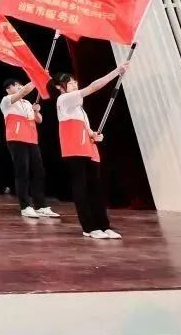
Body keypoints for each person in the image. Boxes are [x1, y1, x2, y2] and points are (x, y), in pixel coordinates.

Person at [49, 62, 129, 240]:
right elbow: (93, 87)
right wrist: (116, 72)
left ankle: (104, 225)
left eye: (74, 81)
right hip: (74, 149)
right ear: (59, 87)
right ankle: (89, 227)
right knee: (82, 188)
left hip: (88, 148)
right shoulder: (64, 100)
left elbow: (87, 129)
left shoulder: (79, 108)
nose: (74, 84)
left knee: (95, 188)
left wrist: (94, 135)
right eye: (69, 83)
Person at [0, 79, 59, 219]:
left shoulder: (27, 103)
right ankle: (25, 206)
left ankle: (41, 206)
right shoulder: (7, 101)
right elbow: (24, 91)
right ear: (8, 89)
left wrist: (36, 111)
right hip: (16, 139)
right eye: (16, 85)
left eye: (20, 85)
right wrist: (37, 79)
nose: (20, 87)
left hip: (32, 140)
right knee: (23, 173)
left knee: (38, 172)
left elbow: (39, 120)